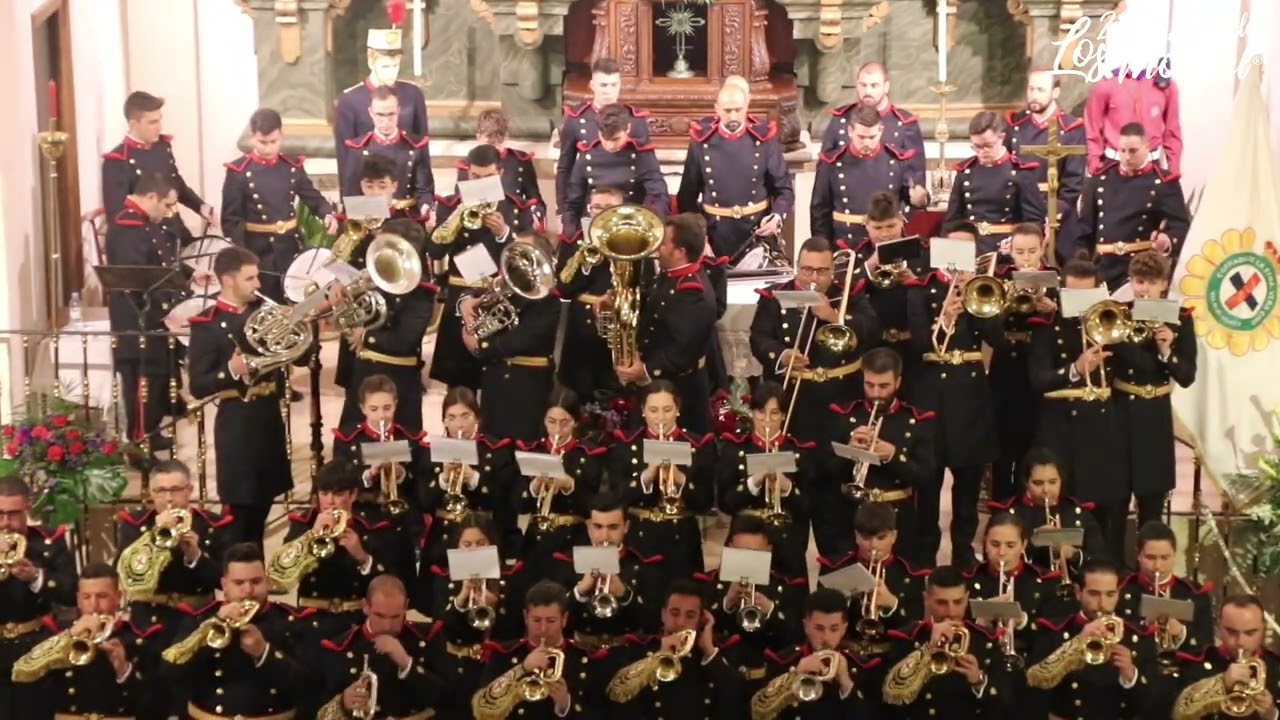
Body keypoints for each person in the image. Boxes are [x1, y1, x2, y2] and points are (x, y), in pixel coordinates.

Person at [906, 222, 1007, 565]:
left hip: (970, 396)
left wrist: (977, 301)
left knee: (968, 482)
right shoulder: (921, 289)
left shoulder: (982, 287)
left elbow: (998, 339)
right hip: (930, 394)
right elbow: (919, 343)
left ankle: (964, 551)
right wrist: (945, 321)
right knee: (928, 483)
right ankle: (924, 553)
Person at [187, 247, 301, 547]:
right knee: (239, 520)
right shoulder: (207, 324)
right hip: (237, 425)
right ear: (227, 281)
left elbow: (302, 358)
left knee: (261, 514)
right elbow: (198, 385)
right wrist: (232, 369)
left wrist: (300, 322)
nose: (258, 284)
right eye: (250, 278)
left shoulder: (264, 313)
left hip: (267, 420)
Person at [1028, 253, 1129, 561]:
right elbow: (1037, 379)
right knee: (1063, 501)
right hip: (1061, 429)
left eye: (1088, 295)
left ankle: (1101, 565)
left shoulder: (1112, 323)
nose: (1081, 303)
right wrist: (1075, 368)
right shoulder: (1047, 328)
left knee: (1103, 502)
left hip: (1101, 427)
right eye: (1073, 294)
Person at [749, 235, 880, 443]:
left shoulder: (849, 293)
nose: (813, 278)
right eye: (806, 270)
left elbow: (872, 331)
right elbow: (759, 337)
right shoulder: (776, 296)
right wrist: (783, 356)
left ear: (832, 269)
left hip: (841, 393)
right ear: (797, 267)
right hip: (795, 393)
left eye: (822, 271)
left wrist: (833, 316)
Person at [429, 143, 538, 392]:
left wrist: (504, 234)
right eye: (474, 177)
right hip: (460, 297)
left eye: (487, 177)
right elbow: (435, 251)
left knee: (494, 380)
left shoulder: (516, 207)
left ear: (500, 173)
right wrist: (456, 217)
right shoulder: (450, 204)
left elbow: (527, 259)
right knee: (458, 384)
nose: (480, 183)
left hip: (497, 299)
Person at [159, 543, 312, 718]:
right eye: (239, 583)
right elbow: (170, 672)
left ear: (267, 582)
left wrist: (264, 653)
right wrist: (212, 629)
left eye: (256, 581)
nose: (248, 591)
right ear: (224, 585)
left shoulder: (292, 621)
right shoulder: (200, 620)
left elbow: (310, 686)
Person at [268, 460, 408, 637]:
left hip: (355, 622)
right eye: (324, 493)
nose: (330, 501)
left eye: (338, 494)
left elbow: (390, 581)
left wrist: (363, 557)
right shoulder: (303, 524)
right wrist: (310, 537)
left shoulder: (372, 527)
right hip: (312, 620)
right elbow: (280, 575)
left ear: (353, 495)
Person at [1110, 251, 1198, 530]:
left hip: (1156, 418)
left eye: (1150, 282)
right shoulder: (1119, 314)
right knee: (1115, 503)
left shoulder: (1180, 319)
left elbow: (1186, 376)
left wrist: (1166, 349)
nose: (1143, 289)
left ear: (1163, 283)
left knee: (1152, 506)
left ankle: (1148, 571)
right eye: (1138, 282)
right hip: (1120, 411)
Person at [608, 214, 718, 434]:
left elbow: (682, 350)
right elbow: (651, 301)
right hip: (657, 384)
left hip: (679, 390)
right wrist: (615, 300)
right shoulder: (671, 276)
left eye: (664, 243)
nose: (656, 247)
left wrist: (644, 371)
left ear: (680, 252)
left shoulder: (692, 292)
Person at [10, 563, 163, 720]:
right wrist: (69, 637)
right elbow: (23, 673)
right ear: (78, 599)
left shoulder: (139, 639)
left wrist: (125, 671)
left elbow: (155, 707)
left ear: (118, 597)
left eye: (102, 596)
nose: (94, 606)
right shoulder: (58, 635)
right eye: (86, 597)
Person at [825, 348, 934, 563]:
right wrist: (850, 451)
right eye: (869, 385)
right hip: (852, 514)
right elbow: (826, 472)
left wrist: (893, 455)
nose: (875, 393)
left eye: (884, 386)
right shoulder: (844, 415)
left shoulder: (917, 421)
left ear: (898, 382)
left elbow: (926, 477)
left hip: (897, 516)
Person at [105, 170, 186, 451]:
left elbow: (159, 267)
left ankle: (150, 431)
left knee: (156, 377)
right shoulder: (128, 226)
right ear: (151, 196)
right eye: (166, 205)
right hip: (137, 319)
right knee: (142, 383)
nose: (168, 212)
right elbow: (139, 278)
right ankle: (140, 440)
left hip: (152, 318)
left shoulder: (142, 223)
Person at [221, 107, 337, 303]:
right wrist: (242, 259)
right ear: (252, 137)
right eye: (262, 142)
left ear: (281, 136)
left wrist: (327, 213)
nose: (268, 148)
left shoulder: (291, 167)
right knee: (264, 303)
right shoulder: (239, 172)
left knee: (295, 300)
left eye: (273, 142)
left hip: (289, 246)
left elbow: (313, 197)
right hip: (258, 251)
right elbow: (231, 221)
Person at [333, 217, 437, 433]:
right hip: (362, 371)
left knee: (399, 441)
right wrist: (340, 291)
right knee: (356, 438)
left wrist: (365, 336)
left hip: (397, 378)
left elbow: (404, 341)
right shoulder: (371, 278)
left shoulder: (421, 292)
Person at [1024, 558, 1159, 719]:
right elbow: (1034, 682)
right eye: (1094, 594)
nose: (1103, 604)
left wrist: (1130, 674)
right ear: (1078, 592)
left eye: (1110, 594)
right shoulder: (1053, 630)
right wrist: (1076, 643)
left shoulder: (1138, 635)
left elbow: (1152, 705)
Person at [422, 517, 528, 719]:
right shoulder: (444, 581)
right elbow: (443, 630)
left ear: (493, 545)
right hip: (458, 671)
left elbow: (516, 631)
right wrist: (462, 599)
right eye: (467, 544)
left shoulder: (512, 580)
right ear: (457, 547)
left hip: (496, 670)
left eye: (481, 544)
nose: (474, 550)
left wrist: (496, 606)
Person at [460, 232, 563, 441]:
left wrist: (482, 345)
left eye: (523, 253)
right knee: (491, 443)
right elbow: (476, 308)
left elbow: (525, 338)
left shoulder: (549, 298)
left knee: (524, 445)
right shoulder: (504, 288)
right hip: (495, 378)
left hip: (528, 385)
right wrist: (467, 308)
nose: (515, 259)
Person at [676, 83, 794, 262]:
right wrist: (700, 238)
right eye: (727, 110)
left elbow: (784, 190)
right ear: (716, 108)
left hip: (756, 234)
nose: (733, 116)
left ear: (747, 105)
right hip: (714, 236)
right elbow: (686, 197)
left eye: (738, 110)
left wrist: (776, 218)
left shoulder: (764, 140)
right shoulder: (701, 141)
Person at [610, 381, 715, 578]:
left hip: (682, 540)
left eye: (667, 410)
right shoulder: (626, 442)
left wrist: (680, 479)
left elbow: (705, 502)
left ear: (677, 410)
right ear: (643, 411)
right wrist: (647, 476)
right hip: (640, 539)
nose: (660, 418)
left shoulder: (697, 444)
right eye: (653, 410)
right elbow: (617, 495)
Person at [880, 566, 1014, 717]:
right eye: (941, 603)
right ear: (926, 599)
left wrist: (978, 681)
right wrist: (927, 649)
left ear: (967, 599)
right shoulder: (906, 637)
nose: (951, 611)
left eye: (957, 602)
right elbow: (890, 698)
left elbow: (1005, 707)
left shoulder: (985, 640)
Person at [693, 514, 807, 691]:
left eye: (755, 554)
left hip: (769, 682)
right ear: (730, 548)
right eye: (741, 552)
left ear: (768, 551)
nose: (748, 560)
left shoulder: (788, 588)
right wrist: (727, 602)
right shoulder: (710, 584)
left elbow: (796, 638)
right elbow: (698, 632)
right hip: (721, 681)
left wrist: (771, 610)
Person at [114, 459, 231, 629]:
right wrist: (153, 537)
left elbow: (225, 580)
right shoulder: (135, 524)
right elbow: (123, 574)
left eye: (175, 490)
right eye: (160, 491)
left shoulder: (212, 525)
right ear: (151, 493)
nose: (168, 498)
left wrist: (195, 556)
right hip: (149, 618)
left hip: (197, 617)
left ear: (189, 490)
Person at [1073, 122, 1191, 292]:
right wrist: (1081, 264)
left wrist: (1166, 240)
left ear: (1147, 147)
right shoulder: (1099, 180)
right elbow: (1085, 230)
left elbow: (1181, 226)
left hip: (1142, 271)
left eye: (1133, 151)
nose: (1127, 157)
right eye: (1122, 151)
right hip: (1104, 268)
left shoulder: (1163, 182)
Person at [715, 381, 815, 579]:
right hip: (746, 537)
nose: (767, 420)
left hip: (787, 540)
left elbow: (809, 506)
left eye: (775, 413)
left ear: (784, 415)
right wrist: (754, 482)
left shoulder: (799, 452)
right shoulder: (734, 450)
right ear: (752, 412)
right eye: (761, 412)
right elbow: (725, 504)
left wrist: (786, 487)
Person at [604, 579, 747, 717]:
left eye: (690, 616)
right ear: (663, 615)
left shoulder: (711, 657)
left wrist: (709, 651)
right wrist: (657, 657)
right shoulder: (640, 650)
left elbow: (736, 699)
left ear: (701, 620)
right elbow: (615, 694)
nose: (680, 622)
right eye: (674, 613)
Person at [471, 580, 611, 718]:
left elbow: (602, 713)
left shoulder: (586, 657)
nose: (543, 629)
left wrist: (565, 704)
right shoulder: (503, 653)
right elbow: (482, 708)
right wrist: (522, 668)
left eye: (551, 621)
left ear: (564, 619)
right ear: (526, 617)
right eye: (536, 620)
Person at [988, 223, 1057, 501]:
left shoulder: (1055, 280)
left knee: (1034, 442)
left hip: (1038, 369)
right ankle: (1001, 506)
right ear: (1010, 251)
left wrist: (1052, 311)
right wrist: (1006, 305)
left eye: (1031, 251)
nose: (1026, 258)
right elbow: (989, 328)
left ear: (1042, 249)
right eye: (1019, 252)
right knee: (1002, 448)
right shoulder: (1000, 278)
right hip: (1006, 367)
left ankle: (1029, 504)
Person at [310, 574, 443, 719]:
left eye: (395, 617)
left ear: (406, 606)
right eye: (379, 616)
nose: (387, 626)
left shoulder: (427, 638)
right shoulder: (340, 647)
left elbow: (447, 700)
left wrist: (406, 663)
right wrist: (344, 702)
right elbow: (318, 710)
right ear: (366, 607)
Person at [550, 492, 671, 649]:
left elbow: (654, 624)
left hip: (627, 652)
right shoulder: (567, 561)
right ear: (588, 527)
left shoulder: (644, 563)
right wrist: (580, 591)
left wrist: (624, 594)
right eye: (598, 527)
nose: (605, 536)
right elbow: (555, 623)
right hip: (582, 652)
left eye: (613, 527)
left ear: (626, 527)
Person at [417, 388, 520, 570]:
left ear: (477, 418)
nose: (459, 424)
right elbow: (423, 502)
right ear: (444, 421)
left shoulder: (496, 451)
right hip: (442, 540)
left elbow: (506, 501)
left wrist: (474, 479)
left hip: (482, 538)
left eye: (466, 416)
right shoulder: (431, 451)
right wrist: (443, 480)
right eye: (452, 417)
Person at [0, 476, 77, 720]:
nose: (5, 523)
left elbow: (71, 593)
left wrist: (35, 576)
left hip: (34, 647)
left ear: (27, 509)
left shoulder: (49, 541)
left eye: (13, 514)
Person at [516, 389, 607, 578]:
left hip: (571, 539)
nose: (557, 430)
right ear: (544, 420)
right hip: (535, 541)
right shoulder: (533, 451)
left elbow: (592, 505)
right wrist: (534, 485)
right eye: (551, 422)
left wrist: (569, 485)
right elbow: (517, 504)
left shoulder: (589, 454)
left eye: (564, 423)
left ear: (575, 422)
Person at [751, 587, 884, 717]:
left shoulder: (863, 667)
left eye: (834, 629)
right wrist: (793, 678)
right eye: (819, 629)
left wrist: (846, 683)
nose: (826, 637)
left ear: (844, 629)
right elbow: (760, 712)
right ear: (806, 626)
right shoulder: (781, 661)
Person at [811, 104, 929, 248]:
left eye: (872, 137)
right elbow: (820, 211)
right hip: (845, 244)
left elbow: (910, 198)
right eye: (861, 137)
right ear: (850, 131)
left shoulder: (897, 160)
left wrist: (919, 200)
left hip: (887, 243)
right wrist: (823, 248)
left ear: (881, 131)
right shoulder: (831, 163)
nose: (867, 143)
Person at [817, 502, 929, 649]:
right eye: (866, 538)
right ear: (856, 537)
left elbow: (915, 629)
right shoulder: (834, 568)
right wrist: (845, 599)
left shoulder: (911, 573)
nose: (873, 545)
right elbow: (819, 619)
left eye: (881, 538)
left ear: (894, 536)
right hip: (846, 651)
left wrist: (892, 603)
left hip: (888, 654)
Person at [1004, 69, 1086, 265]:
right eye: (1031, 89)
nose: (1033, 95)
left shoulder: (1072, 128)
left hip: (1058, 212)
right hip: (1021, 211)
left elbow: (1073, 183)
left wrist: (1054, 215)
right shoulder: (1016, 126)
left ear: (1055, 92)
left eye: (1040, 90)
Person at [987, 447, 1105, 582]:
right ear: (1026, 482)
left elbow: (1100, 561)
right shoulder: (1009, 512)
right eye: (1038, 483)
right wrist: (1032, 542)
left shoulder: (1077, 511)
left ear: (1061, 480)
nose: (1046, 490)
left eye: (1053, 482)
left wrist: (1074, 555)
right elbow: (993, 559)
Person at [102, 91, 214, 226]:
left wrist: (202, 207)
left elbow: (176, 184)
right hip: (146, 239)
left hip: (175, 231)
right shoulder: (118, 161)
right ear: (133, 124)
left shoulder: (162, 147)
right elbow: (119, 215)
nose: (160, 127)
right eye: (152, 122)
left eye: (159, 120)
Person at [1160, 594, 1279, 720]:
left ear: (1263, 628)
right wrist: (1221, 683)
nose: (1240, 642)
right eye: (1232, 632)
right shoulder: (1194, 663)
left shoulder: (1276, 667)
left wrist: (1273, 715)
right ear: (1218, 627)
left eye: (1250, 633)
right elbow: (1178, 713)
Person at [556, 185, 625, 400]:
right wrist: (584, 263)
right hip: (580, 331)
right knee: (577, 393)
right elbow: (563, 288)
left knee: (615, 397)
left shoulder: (633, 241)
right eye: (597, 207)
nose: (602, 213)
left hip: (617, 328)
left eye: (609, 207)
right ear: (588, 209)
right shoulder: (573, 241)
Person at [944, 111, 1047, 255]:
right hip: (970, 248)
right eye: (976, 147)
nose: (982, 152)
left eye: (988, 145)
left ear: (1001, 138)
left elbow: (1034, 221)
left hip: (1007, 249)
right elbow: (952, 221)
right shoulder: (965, 171)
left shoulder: (1021, 172)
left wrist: (1016, 242)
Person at [555, 57, 652, 208]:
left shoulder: (635, 120)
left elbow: (647, 167)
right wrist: (561, 209)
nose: (609, 91)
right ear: (592, 85)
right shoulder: (576, 119)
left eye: (614, 84)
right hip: (592, 204)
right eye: (603, 85)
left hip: (629, 203)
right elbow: (565, 167)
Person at [561, 103, 669, 235]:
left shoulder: (642, 155)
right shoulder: (587, 156)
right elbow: (573, 202)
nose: (610, 145)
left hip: (632, 228)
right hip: (595, 227)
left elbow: (658, 194)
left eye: (616, 139)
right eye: (605, 139)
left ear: (628, 128)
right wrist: (570, 230)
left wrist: (649, 223)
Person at [333, 26, 429, 175]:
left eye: (395, 65)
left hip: (405, 181)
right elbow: (345, 156)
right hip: (368, 183)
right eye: (385, 66)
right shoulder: (350, 100)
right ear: (371, 62)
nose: (391, 72)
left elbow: (422, 147)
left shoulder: (413, 94)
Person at [1116, 522, 1214, 660]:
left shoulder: (1195, 593)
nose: (1157, 566)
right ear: (1138, 555)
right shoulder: (1121, 590)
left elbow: (1207, 647)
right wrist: (1144, 627)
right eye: (1150, 558)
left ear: (1174, 555)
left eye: (1164, 558)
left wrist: (1181, 633)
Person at [332, 373, 427, 514]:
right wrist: (369, 474)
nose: (381, 415)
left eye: (387, 408)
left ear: (395, 405)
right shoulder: (347, 438)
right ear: (362, 408)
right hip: (362, 512)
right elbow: (340, 482)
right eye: (374, 409)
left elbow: (421, 485)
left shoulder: (410, 438)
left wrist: (401, 474)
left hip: (402, 514)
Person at [338, 86, 436, 222]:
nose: (386, 121)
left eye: (391, 114)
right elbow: (351, 194)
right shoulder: (358, 148)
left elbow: (424, 190)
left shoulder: (416, 146)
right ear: (371, 113)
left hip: (406, 220)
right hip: (369, 220)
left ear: (399, 111)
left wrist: (426, 209)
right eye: (380, 115)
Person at [820, 61, 926, 180]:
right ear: (857, 85)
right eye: (863, 85)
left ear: (886, 87)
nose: (868, 92)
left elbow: (916, 173)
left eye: (874, 86)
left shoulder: (905, 124)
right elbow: (824, 168)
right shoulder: (841, 119)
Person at [1084, 65, 1182, 175]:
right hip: (1114, 165)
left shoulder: (1165, 85)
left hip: (1152, 166)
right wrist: (1094, 163)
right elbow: (1093, 128)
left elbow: (1172, 131)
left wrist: (1174, 170)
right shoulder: (1107, 84)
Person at [459, 108, 545, 224]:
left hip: (514, 224)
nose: (494, 148)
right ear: (478, 137)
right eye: (490, 142)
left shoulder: (520, 161)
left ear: (506, 137)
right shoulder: (468, 164)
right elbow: (460, 202)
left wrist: (534, 217)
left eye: (499, 142)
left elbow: (535, 200)